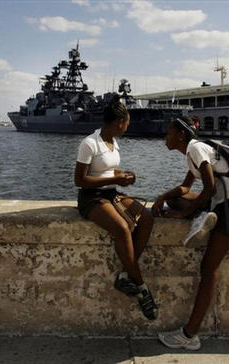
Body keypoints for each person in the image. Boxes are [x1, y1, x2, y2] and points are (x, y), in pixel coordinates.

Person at [152, 116, 229, 350]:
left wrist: (179, 215)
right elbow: (186, 188)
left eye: (169, 133)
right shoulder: (194, 152)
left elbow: (207, 186)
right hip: (224, 204)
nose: (166, 137)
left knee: (209, 269)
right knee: (176, 199)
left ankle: (189, 335)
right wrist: (164, 197)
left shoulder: (195, 149)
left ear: (181, 135)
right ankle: (202, 217)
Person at [74, 95, 158, 320]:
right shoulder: (89, 143)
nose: (128, 126)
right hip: (92, 197)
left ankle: (125, 274)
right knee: (122, 228)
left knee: (147, 217)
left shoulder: (113, 142)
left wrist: (124, 176)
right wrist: (115, 180)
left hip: (111, 193)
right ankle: (141, 286)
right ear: (120, 122)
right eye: (127, 122)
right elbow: (80, 180)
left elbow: (108, 171)